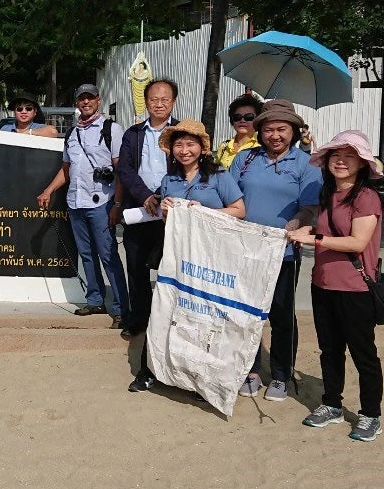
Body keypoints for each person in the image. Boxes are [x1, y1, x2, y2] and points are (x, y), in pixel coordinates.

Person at [128, 120, 245, 392]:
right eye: (178, 144)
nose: (184, 150)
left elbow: (239, 210)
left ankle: (201, 380)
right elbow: (164, 216)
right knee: (163, 310)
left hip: (209, 259)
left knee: (203, 317)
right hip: (176, 256)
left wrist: (204, 212)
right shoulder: (169, 180)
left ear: (202, 148)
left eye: (190, 144)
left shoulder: (219, 175)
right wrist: (165, 209)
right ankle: (149, 371)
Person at [287, 130, 384, 441]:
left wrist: (314, 238)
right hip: (323, 284)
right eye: (335, 155)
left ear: (362, 163)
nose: (340, 161)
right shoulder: (329, 194)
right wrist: (309, 226)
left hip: (354, 287)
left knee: (363, 353)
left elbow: (357, 241)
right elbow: (329, 227)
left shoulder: (366, 197)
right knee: (329, 350)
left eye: (349, 155)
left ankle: (371, 414)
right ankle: (331, 403)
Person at [231, 98, 322, 402]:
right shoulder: (244, 160)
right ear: (259, 131)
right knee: (248, 312)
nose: (275, 135)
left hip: (283, 253)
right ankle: (251, 369)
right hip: (245, 251)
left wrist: (299, 222)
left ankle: (281, 374)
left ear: (294, 131)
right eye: (269, 129)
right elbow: (228, 199)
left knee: (282, 315)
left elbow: (311, 206)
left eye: (282, 129)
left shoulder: (306, 164)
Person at [37, 83, 129, 321]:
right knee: (86, 255)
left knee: (108, 256)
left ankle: (120, 309)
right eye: (81, 99)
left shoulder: (112, 129)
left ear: (98, 101)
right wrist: (48, 191)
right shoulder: (72, 132)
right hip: (76, 202)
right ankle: (95, 301)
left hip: (102, 203)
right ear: (77, 103)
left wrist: (117, 205)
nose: (86, 102)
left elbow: (121, 171)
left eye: (90, 98)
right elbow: (66, 169)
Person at [112, 78, 180, 340]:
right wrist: (145, 196)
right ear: (146, 102)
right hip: (139, 211)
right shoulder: (134, 133)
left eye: (165, 99)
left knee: (170, 268)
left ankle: (168, 321)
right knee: (137, 265)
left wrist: (165, 198)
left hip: (171, 211)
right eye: (154, 99)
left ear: (173, 102)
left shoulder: (182, 133)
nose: (159, 104)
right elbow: (125, 170)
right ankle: (139, 318)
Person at [214, 95, 263, 168]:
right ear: (232, 121)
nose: (242, 121)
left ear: (257, 120)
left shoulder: (262, 146)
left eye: (248, 117)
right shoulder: (224, 146)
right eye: (237, 117)